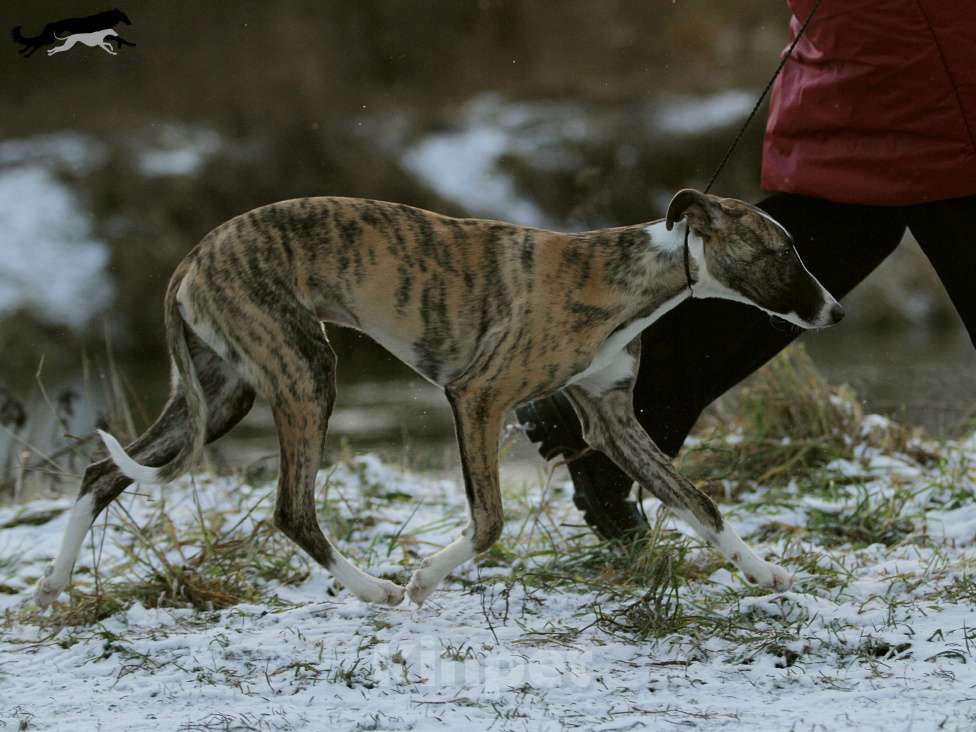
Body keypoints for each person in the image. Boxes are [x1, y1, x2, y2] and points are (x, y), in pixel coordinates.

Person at [517, 0, 976, 539]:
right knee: (869, 210)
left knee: (848, 219)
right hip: (927, 43)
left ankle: (617, 403)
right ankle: (615, 403)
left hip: (901, 40)